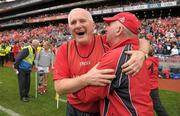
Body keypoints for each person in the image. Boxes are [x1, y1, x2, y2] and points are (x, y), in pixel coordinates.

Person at [54, 8, 150, 116]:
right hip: (73, 109)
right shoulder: (64, 49)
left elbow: (141, 40)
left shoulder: (107, 41)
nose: (77, 25)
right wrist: (86, 79)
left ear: (93, 25)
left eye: (82, 21)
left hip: (99, 110)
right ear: (69, 28)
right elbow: (59, 88)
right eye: (73, 22)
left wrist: (142, 53)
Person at [146, 44, 169, 116]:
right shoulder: (153, 60)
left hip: (149, 86)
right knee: (155, 106)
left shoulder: (147, 62)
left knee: (157, 106)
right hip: (153, 86)